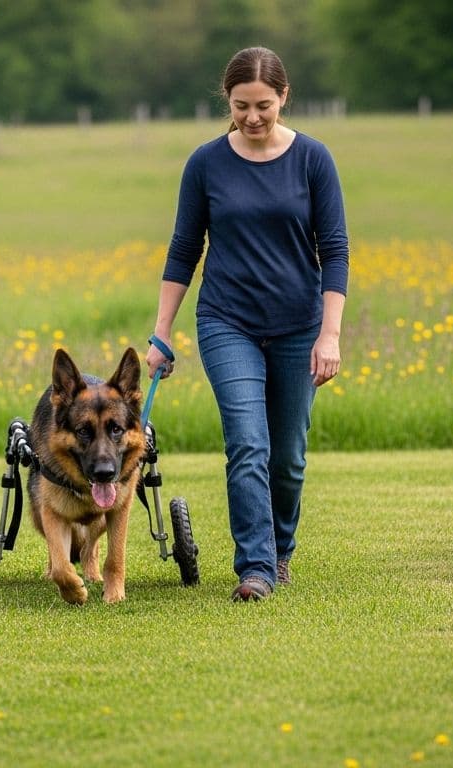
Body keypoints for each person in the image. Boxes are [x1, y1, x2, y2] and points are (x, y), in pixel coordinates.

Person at [146, 46, 349, 602]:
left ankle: (281, 550)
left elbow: (334, 250)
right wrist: (162, 332)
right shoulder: (205, 164)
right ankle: (255, 569)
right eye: (241, 106)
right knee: (247, 443)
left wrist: (329, 334)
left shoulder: (313, 160)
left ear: (284, 96)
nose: (253, 117)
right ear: (226, 101)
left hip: (298, 327)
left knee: (287, 457)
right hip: (226, 321)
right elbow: (185, 248)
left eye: (263, 105)